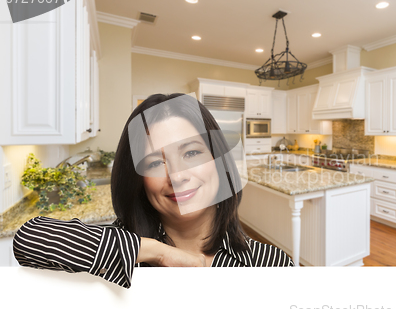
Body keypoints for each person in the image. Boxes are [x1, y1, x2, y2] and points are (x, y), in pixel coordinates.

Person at [13, 93, 294, 289]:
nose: (178, 176)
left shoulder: (271, 265)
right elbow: (29, 240)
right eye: (156, 162)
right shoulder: (122, 250)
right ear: (139, 179)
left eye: (192, 152)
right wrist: (157, 253)